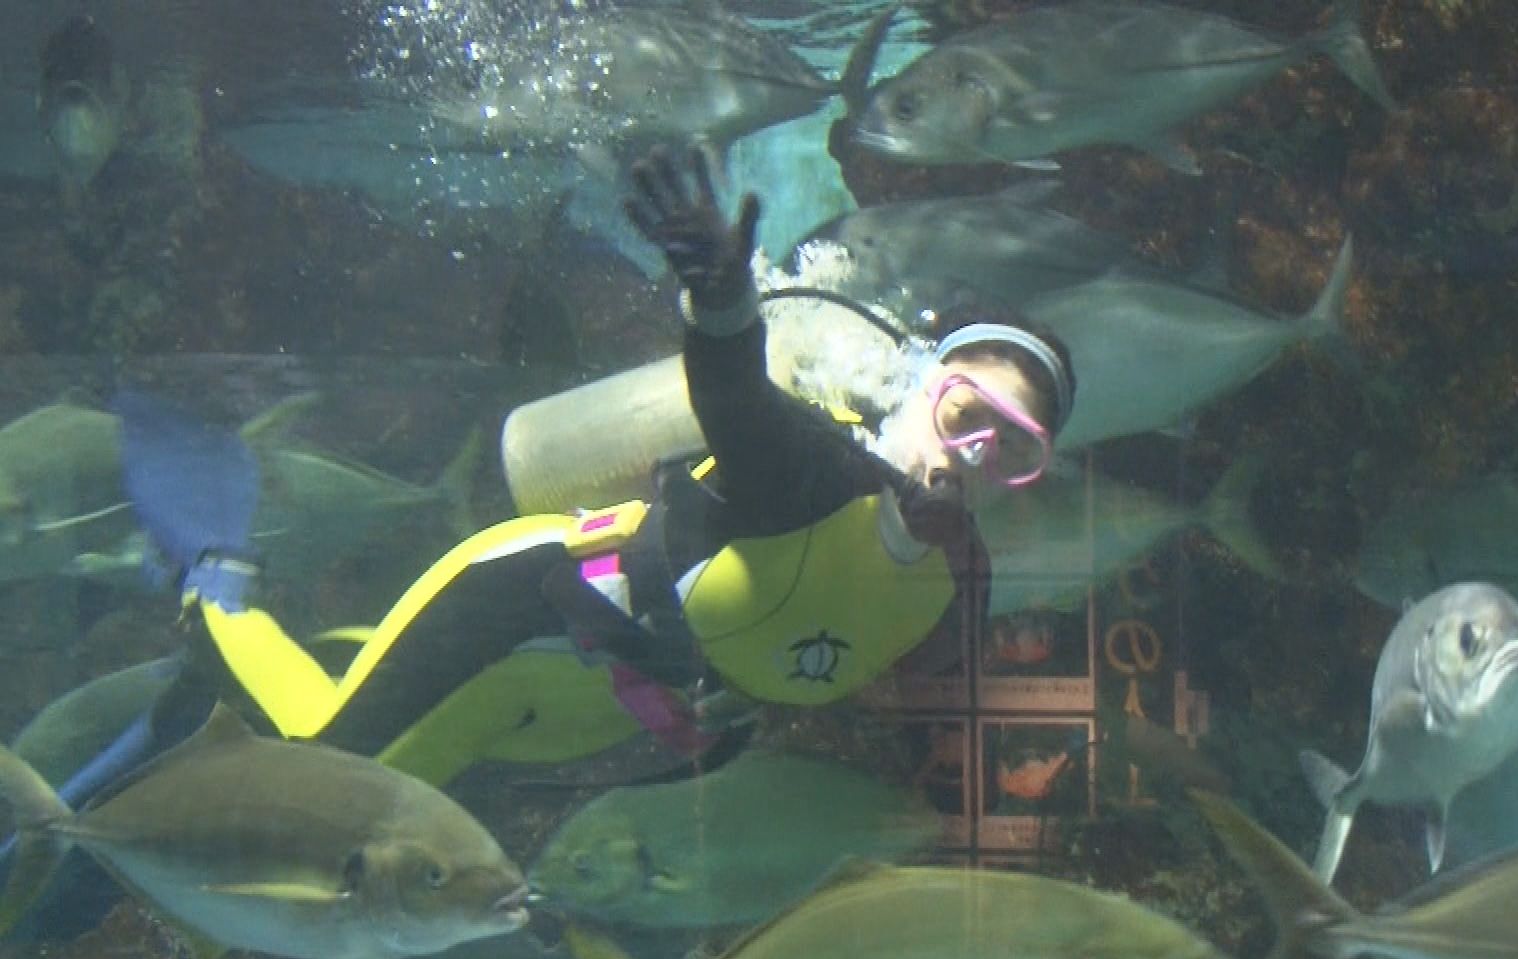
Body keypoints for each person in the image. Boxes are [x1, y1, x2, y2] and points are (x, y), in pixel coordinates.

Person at [138, 142, 1079, 761]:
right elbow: (735, 399)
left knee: (408, 802)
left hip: (612, 683)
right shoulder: (818, 472)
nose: (973, 457)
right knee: (320, 756)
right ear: (920, 384)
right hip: (525, 603)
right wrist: (719, 302)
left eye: (1015, 450)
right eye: (967, 415)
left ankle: (347, 649)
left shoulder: (962, 576)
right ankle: (218, 592)